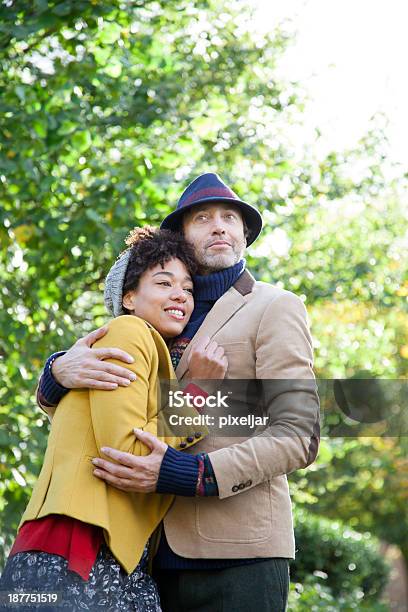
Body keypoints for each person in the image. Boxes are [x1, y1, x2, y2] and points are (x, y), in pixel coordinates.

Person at [35, 173, 320, 612]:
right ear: (181, 237)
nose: (220, 225)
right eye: (203, 218)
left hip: (239, 555)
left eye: (230, 217)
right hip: (141, 558)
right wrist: (57, 372)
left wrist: (197, 474)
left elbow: (298, 433)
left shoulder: (276, 306)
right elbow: (105, 408)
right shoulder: (156, 310)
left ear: (244, 234)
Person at [0, 227, 228, 611]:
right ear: (129, 297)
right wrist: (199, 392)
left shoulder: (148, 351)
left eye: (188, 289)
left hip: (112, 557)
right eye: (164, 282)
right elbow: (124, 451)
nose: (181, 295)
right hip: (75, 548)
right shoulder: (128, 332)